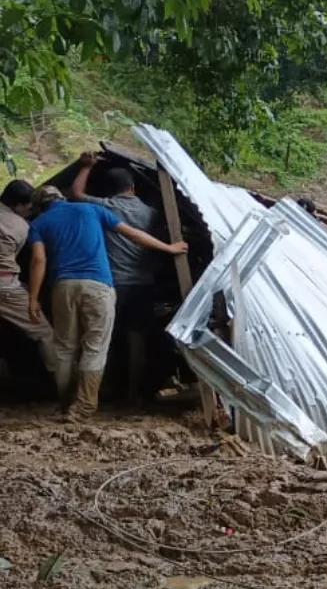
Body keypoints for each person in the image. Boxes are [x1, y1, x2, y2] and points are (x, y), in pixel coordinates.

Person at [26, 186, 187, 420]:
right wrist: (169, 248)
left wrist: (33, 298)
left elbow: (38, 260)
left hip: (63, 287)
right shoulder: (92, 209)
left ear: (41, 205)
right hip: (98, 286)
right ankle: (83, 408)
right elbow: (133, 234)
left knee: (65, 348)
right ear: (62, 197)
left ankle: (64, 403)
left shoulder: (39, 223)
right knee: (94, 347)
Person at [69, 153, 164, 403]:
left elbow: (76, 194)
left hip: (112, 284)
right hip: (143, 285)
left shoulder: (107, 207)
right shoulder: (151, 213)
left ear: (109, 191)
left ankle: (101, 389)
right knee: (137, 339)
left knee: (104, 337)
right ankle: (134, 392)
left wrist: (86, 166)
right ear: (133, 187)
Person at [0, 179, 56, 377]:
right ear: (19, 205)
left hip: (9, 283)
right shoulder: (21, 225)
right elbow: (34, 259)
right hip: (5, 286)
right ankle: (61, 382)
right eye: (29, 208)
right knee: (45, 333)